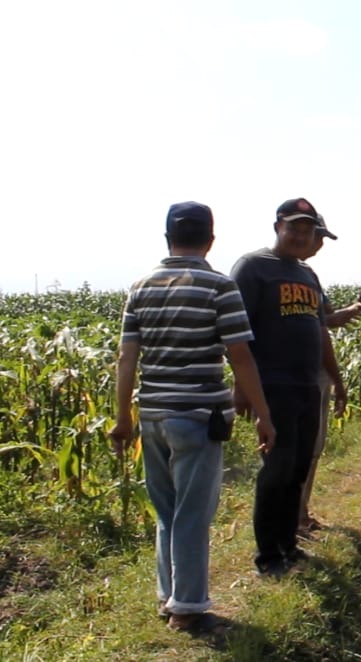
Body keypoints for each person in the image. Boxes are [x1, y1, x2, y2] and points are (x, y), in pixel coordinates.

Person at [109, 201, 275, 632]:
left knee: (167, 512)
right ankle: (187, 608)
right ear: (211, 240)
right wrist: (263, 415)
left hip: (153, 415)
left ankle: (170, 596)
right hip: (199, 415)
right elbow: (240, 355)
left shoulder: (140, 287)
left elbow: (127, 357)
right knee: (193, 514)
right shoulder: (219, 287)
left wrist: (123, 417)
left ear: (167, 239)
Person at [230, 197, 347, 576]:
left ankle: (288, 546)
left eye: (307, 229)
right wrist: (242, 387)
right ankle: (268, 557)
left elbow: (319, 327)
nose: (300, 235)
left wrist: (336, 378)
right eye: (294, 227)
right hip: (273, 385)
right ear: (277, 226)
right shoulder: (252, 268)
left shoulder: (306, 275)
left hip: (306, 385)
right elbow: (236, 332)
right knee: (276, 469)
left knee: (297, 468)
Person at [297, 218, 361, 537]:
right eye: (320, 237)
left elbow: (324, 319)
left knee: (313, 447)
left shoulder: (309, 276)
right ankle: (292, 520)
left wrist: (358, 305)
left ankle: (302, 513)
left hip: (318, 371)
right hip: (301, 373)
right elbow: (318, 323)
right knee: (300, 448)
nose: (320, 244)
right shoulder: (276, 272)